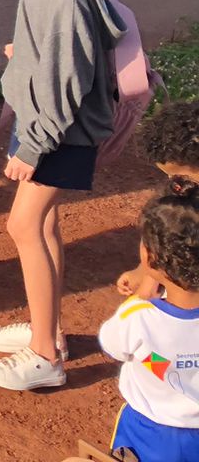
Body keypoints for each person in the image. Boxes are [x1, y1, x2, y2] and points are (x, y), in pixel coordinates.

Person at [0, 0, 117, 392]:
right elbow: (55, 60)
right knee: (44, 224)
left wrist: (33, 146)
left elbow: (68, 79)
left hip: (56, 134)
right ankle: (46, 330)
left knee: (24, 225)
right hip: (47, 126)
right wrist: (24, 57)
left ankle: (45, 357)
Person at [97, 190, 199, 460]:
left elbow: (112, 345)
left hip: (148, 435)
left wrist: (143, 293)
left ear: (148, 257)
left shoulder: (138, 317)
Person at [119, 102, 199, 297]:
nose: (174, 183)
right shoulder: (185, 196)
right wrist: (145, 273)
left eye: (178, 176)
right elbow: (168, 237)